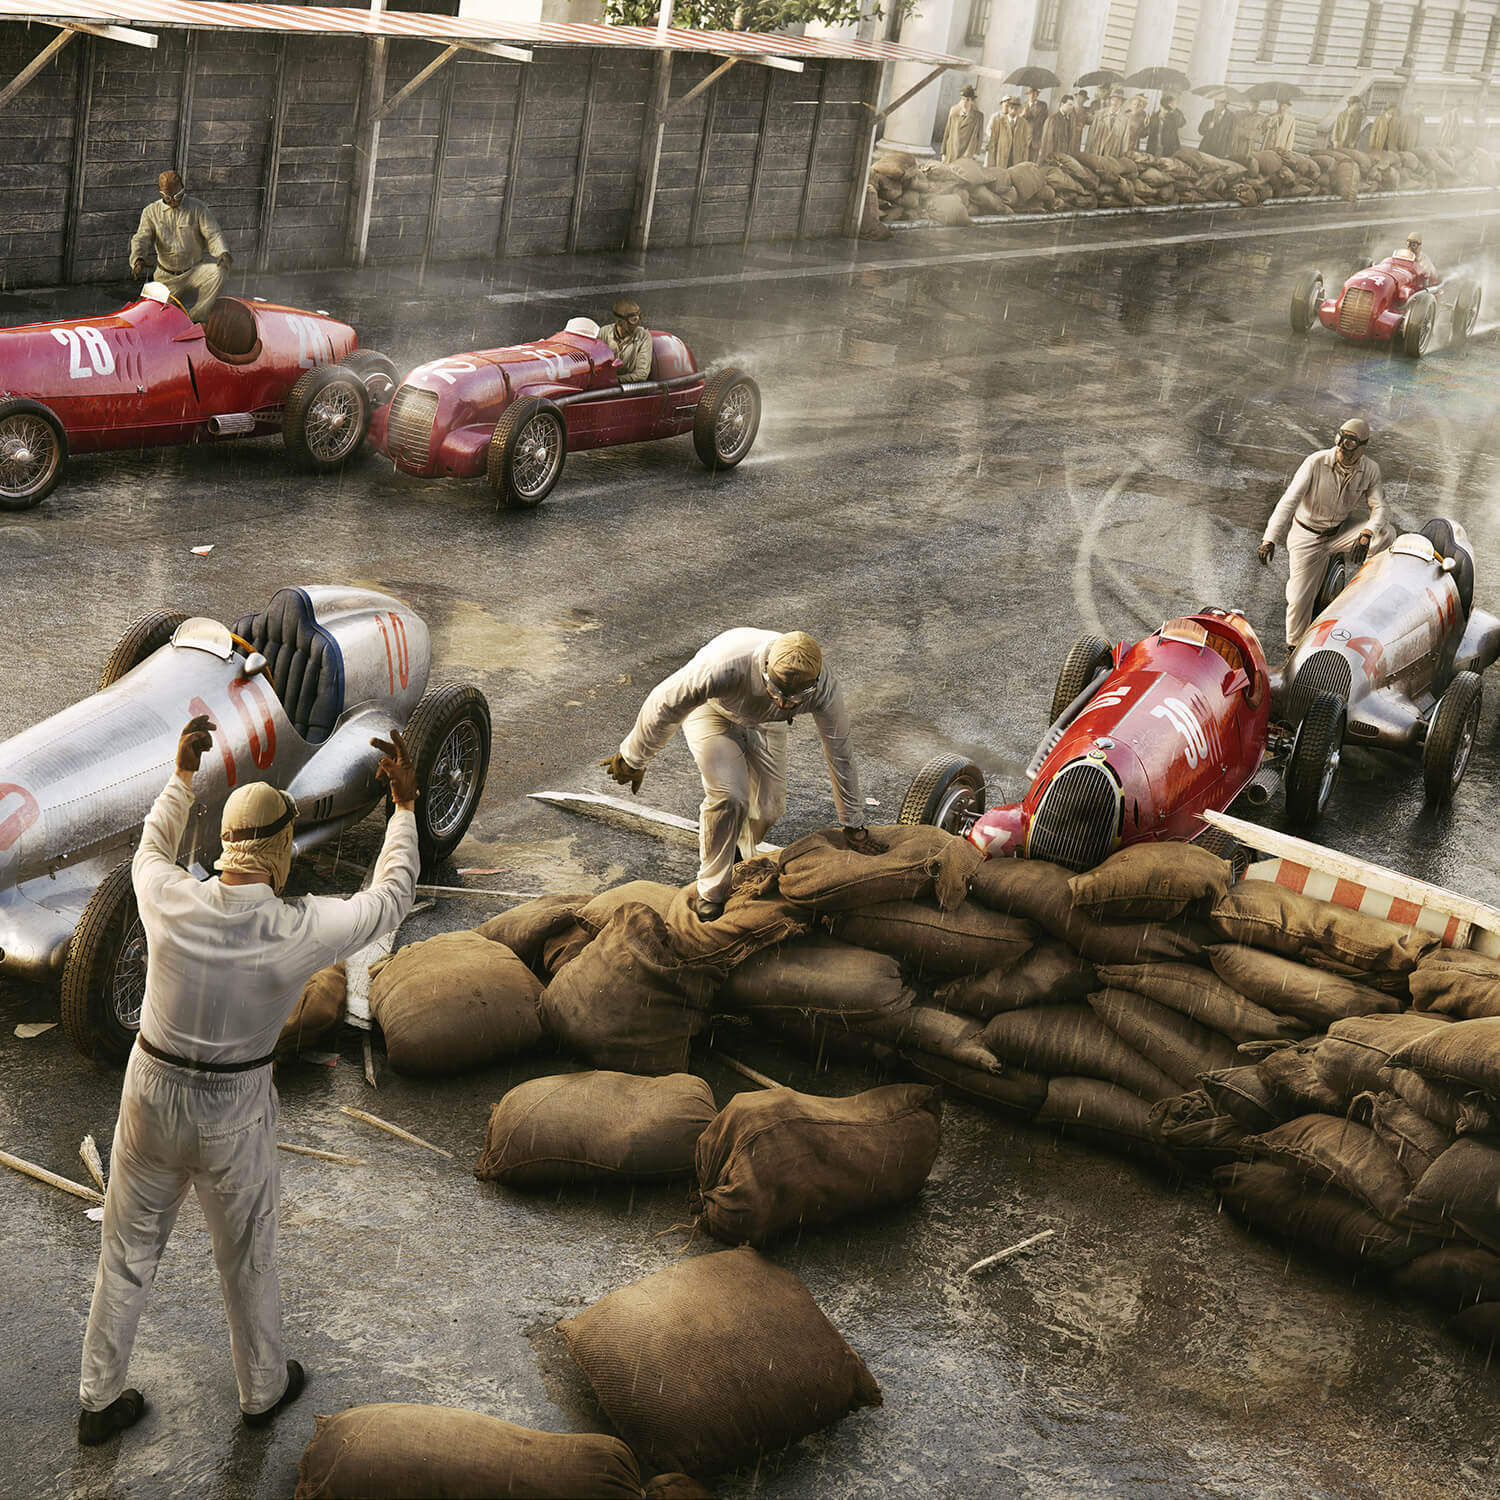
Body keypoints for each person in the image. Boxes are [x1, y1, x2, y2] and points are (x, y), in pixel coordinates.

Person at [77, 718, 421, 1444]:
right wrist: (405, 810)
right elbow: (388, 901)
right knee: (246, 1256)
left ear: (231, 845)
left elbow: (149, 847)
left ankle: (98, 1399)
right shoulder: (297, 927)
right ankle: (262, 1390)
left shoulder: (167, 896)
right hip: (232, 1109)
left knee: (126, 1250)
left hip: (149, 1090)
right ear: (279, 850)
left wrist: (180, 776)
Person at [600, 630, 882, 921]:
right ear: (763, 669)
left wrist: (853, 822)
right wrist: (635, 757)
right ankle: (711, 891)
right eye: (777, 690)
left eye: (796, 697)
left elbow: (840, 751)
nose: (785, 703)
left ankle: (735, 847)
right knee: (730, 797)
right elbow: (665, 703)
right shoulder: (724, 665)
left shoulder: (824, 688)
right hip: (713, 713)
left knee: (770, 807)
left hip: (767, 722)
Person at [1258, 418, 1391, 652]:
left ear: (1363, 447)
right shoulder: (1315, 462)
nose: (1344, 451)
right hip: (1306, 537)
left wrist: (1367, 534)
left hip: (1339, 534)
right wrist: (1269, 538)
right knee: (1299, 601)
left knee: (1386, 534)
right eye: (1341, 444)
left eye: (1351, 447)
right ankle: (1294, 649)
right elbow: (1288, 502)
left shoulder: (1370, 469)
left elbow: (1380, 507)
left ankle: (1365, 593)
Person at [129, 171, 231, 322]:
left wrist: (222, 252)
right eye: (168, 198)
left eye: (178, 196)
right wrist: (137, 259)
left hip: (194, 270)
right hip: (166, 276)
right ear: (161, 193)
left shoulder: (198, 208)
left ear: (183, 188)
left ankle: (195, 318)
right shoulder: (150, 212)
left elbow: (213, 233)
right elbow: (141, 238)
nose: (174, 202)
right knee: (149, 318)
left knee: (218, 272)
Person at [602, 298, 652, 383]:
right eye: (633, 320)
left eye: (639, 318)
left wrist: (613, 381)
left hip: (629, 390)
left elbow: (641, 374)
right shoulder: (604, 332)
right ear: (620, 322)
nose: (638, 323)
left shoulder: (644, 336)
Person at [941, 84, 985, 163]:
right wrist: (943, 152)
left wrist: (976, 153)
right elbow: (947, 131)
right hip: (952, 150)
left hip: (967, 152)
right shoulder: (954, 111)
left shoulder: (978, 117)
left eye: (967, 99)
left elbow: (980, 135)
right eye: (963, 99)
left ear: (972, 101)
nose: (965, 102)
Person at [985, 98, 1015, 169]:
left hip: (1003, 146)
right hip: (993, 143)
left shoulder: (1010, 119)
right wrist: (993, 137)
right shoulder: (995, 116)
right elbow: (988, 129)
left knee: (1000, 164)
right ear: (1001, 104)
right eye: (1005, 103)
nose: (1006, 105)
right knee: (989, 163)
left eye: (1008, 104)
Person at [1022, 87, 1049, 160]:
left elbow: (1046, 122)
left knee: (1034, 161)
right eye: (1030, 93)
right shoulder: (1023, 105)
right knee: (1023, 161)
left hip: (1037, 138)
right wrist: (1022, 115)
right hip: (1025, 138)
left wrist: (1043, 138)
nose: (1032, 96)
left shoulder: (1043, 105)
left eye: (1034, 93)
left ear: (1037, 94)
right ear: (1027, 95)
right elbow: (1019, 123)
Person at [1010, 96, 1034, 165]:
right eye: (1011, 108)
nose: (1013, 110)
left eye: (1016, 108)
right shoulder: (1003, 121)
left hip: (1017, 154)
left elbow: (1026, 143)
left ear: (1019, 109)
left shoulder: (1025, 124)